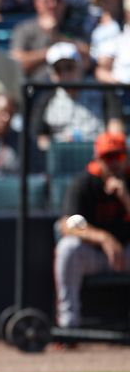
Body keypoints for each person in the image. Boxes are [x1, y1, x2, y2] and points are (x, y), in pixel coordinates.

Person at [54, 132, 130, 328]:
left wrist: (125, 198)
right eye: (107, 158)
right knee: (67, 249)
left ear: (126, 157)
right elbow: (65, 225)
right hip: (93, 255)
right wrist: (104, 238)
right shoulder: (83, 183)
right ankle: (69, 325)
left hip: (126, 252)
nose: (113, 163)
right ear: (97, 159)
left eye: (118, 157)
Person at [31, 42, 124, 152]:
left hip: (97, 156)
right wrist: (54, 151)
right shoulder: (45, 97)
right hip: (61, 159)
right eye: (58, 70)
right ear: (52, 74)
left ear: (80, 67)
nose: (65, 74)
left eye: (69, 67)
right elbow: (40, 137)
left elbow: (115, 128)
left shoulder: (102, 91)